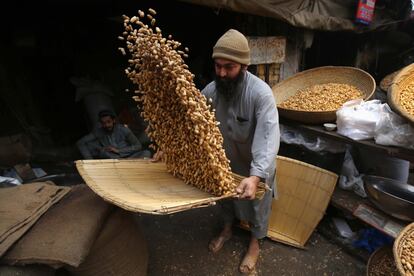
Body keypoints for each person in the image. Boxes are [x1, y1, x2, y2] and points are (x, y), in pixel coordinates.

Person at [153, 29, 280, 273]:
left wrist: (256, 176)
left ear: (244, 65)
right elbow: (193, 123)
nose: (221, 73)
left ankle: (254, 244)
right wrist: (169, 146)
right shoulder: (211, 91)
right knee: (225, 200)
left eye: (229, 67)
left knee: (258, 206)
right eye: (218, 66)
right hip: (224, 161)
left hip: (256, 164)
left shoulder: (261, 94)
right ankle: (227, 228)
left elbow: (268, 136)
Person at [77, 110, 151, 159]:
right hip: (113, 158)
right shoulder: (99, 132)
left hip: (129, 157)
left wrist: (119, 150)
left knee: (146, 153)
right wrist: (90, 160)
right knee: (104, 153)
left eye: (108, 122)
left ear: (114, 120)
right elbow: (80, 142)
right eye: (103, 123)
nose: (106, 125)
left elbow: (138, 146)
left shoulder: (123, 130)